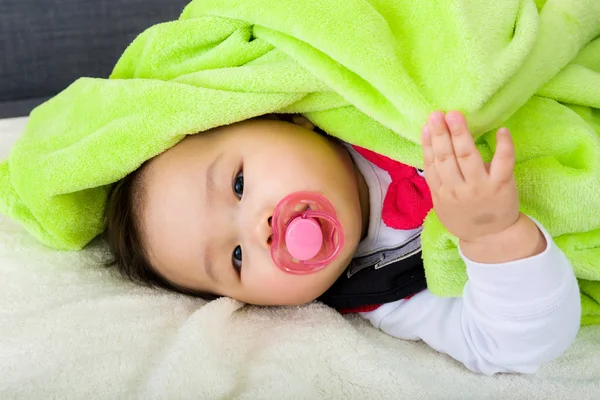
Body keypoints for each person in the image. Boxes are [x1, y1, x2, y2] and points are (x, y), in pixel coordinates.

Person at [105, 111, 581, 375]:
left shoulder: (366, 98)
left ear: (288, 118)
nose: (259, 229)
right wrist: (492, 235)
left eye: (238, 184)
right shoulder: (384, 292)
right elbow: (507, 346)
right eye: (235, 258)